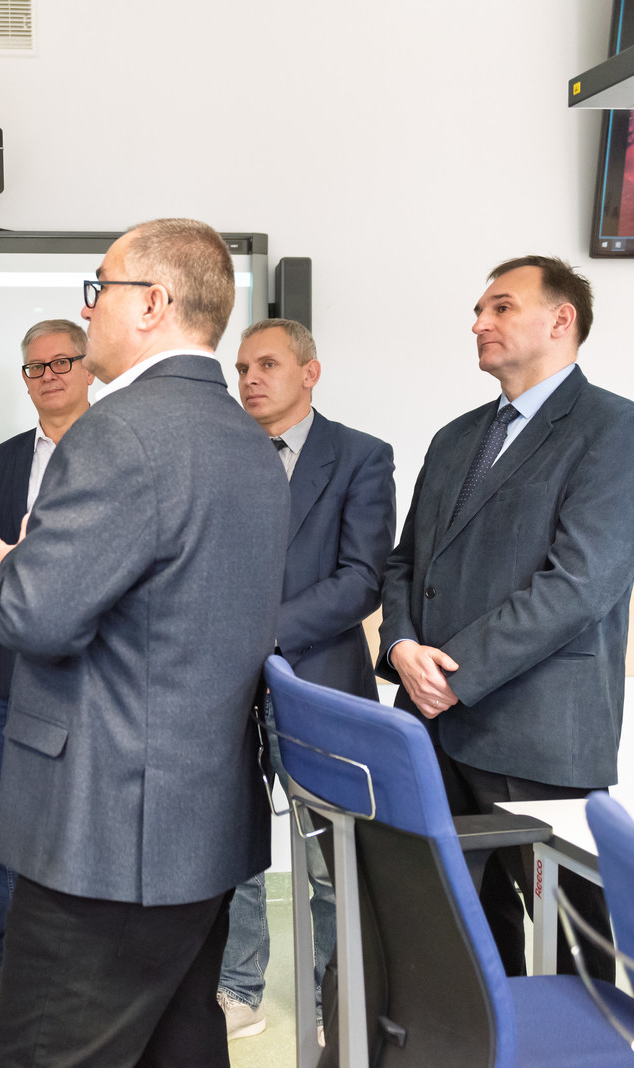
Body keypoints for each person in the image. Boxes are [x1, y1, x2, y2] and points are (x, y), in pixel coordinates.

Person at [0, 218, 289, 1067]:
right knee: (178, 1046)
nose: (88, 308)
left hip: (105, 837)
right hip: (198, 825)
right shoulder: (246, 438)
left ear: (152, 303)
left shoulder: (119, 432)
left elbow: (38, 617)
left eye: (99, 289)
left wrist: (10, 577)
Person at [378, 256, 634, 983]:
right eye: (479, 311)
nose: (480, 323)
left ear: (560, 319)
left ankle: (588, 1043)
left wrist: (454, 675)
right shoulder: (455, 438)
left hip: (536, 733)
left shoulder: (619, 432)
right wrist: (403, 643)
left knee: (576, 943)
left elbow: (579, 585)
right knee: (461, 930)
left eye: (501, 307)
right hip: (432, 728)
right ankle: (493, 1036)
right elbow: (407, 563)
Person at [219, 319, 396, 1041]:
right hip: (224, 689)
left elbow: (362, 578)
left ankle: (333, 995)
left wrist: (263, 632)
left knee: (329, 859)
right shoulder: (220, 454)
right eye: (241, 368)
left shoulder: (360, 456)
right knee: (230, 853)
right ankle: (238, 990)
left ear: (309, 372)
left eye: (267, 364)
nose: (250, 379)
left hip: (319, 685)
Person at [0, 319, 95, 1013]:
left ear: (89, 368)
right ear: (25, 379)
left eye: (63, 361)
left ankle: (76, 967)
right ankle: (6, 957)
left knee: (80, 827)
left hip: (93, 679)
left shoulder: (119, 450)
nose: (50, 375)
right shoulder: (1, 461)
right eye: (37, 367)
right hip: (8, 674)